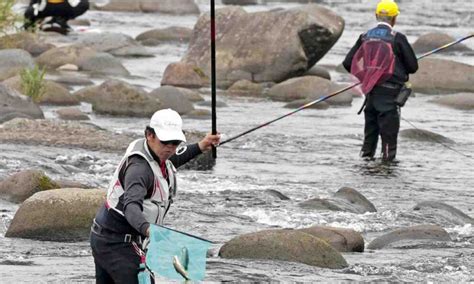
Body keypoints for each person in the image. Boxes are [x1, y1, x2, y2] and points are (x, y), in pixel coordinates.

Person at [90, 108, 220, 283]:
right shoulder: (139, 169)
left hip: (105, 236)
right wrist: (148, 229)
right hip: (119, 242)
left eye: (175, 142)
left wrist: (202, 145)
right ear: (149, 134)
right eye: (165, 142)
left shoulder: (156, 154)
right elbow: (131, 207)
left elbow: (172, 160)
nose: (170, 148)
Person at [343, 0, 418, 161]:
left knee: (369, 140)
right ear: (394, 18)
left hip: (371, 94)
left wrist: (367, 75)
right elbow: (412, 67)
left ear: (377, 16)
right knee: (388, 143)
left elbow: (348, 63)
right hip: (390, 96)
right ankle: (385, 175)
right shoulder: (398, 38)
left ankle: (364, 170)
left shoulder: (364, 37)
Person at [24, 0, 89, 34]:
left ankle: (60, 20)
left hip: (64, 6)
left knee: (84, 4)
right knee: (29, 12)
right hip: (46, 7)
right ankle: (38, 25)